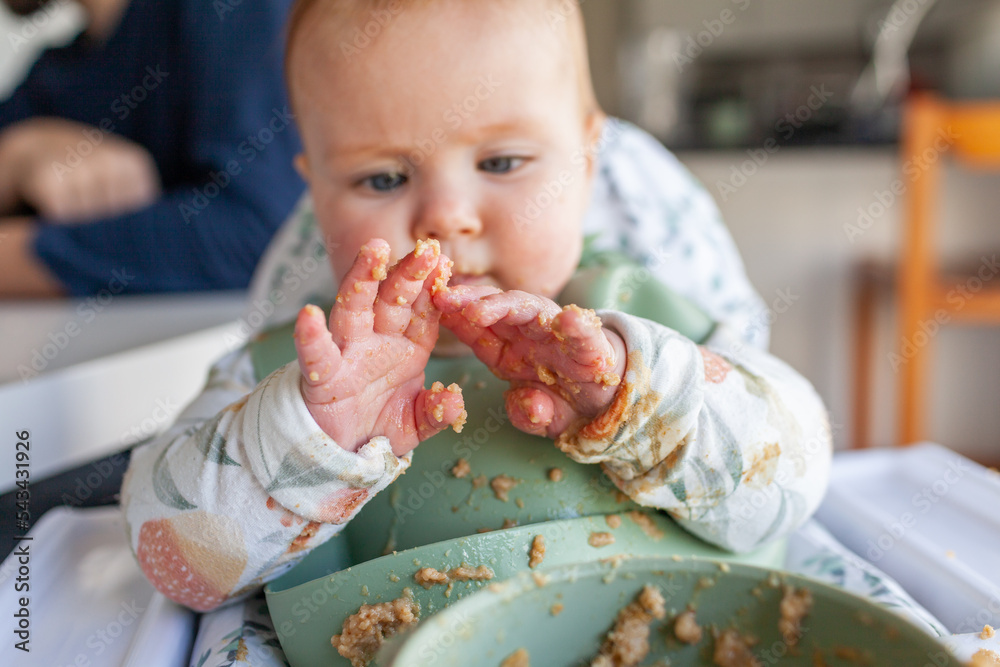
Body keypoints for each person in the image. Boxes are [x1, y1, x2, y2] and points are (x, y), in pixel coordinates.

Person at [121, 0, 831, 618]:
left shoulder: (649, 322)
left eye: (500, 163)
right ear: (316, 192)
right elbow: (170, 559)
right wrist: (310, 439)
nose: (446, 217)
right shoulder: (299, 367)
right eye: (383, 176)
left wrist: (641, 401)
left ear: (587, 162)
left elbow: (796, 473)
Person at [0, 0, 304, 297]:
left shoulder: (229, 11)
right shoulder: (52, 78)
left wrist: (15, 256)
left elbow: (264, 235)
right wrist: (14, 156)